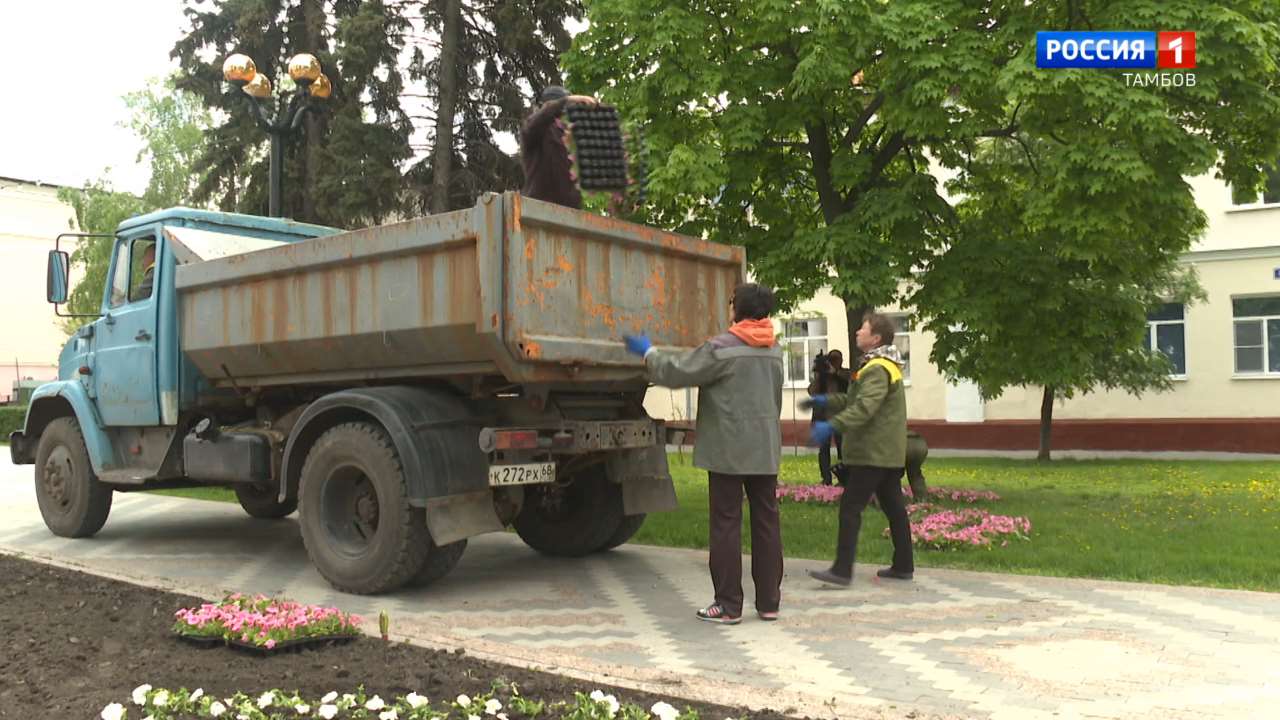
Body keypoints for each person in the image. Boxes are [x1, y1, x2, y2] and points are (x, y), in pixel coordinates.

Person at [622, 283, 784, 624]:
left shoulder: (722, 348)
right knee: (767, 522)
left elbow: (677, 372)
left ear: (737, 308)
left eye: (730, 303)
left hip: (728, 450)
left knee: (726, 523)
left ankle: (728, 605)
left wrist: (649, 352)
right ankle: (769, 603)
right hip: (765, 448)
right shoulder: (775, 349)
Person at [802, 313, 914, 586]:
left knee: (851, 506)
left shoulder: (877, 368)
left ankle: (841, 571)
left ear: (875, 338)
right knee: (894, 508)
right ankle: (903, 566)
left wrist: (832, 426)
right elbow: (854, 398)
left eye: (862, 329)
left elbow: (865, 407)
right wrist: (825, 400)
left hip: (872, 451)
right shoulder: (878, 366)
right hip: (885, 451)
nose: (857, 332)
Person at [520, 85, 598, 209]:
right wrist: (566, 101)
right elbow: (541, 119)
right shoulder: (534, 131)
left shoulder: (570, 138)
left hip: (570, 213)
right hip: (538, 208)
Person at [807, 349, 850, 485]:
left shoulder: (845, 374)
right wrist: (820, 375)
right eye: (832, 360)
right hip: (823, 417)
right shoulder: (822, 377)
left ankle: (844, 478)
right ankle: (826, 478)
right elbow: (811, 391)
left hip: (840, 418)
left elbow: (852, 380)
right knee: (823, 450)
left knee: (842, 449)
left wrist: (836, 373)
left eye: (837, 359)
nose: (835, 363)